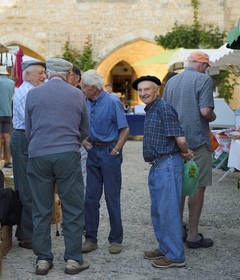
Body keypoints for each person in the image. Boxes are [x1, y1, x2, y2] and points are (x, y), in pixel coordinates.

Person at [25, 58, 90, 275]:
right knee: (72, 208)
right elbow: (84, 129)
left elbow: (28, 129)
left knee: (41, 209)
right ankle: (73, 259)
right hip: (67, 154)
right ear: (68, 74)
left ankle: (43, 259)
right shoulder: (77, 94)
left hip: (38, 154)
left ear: (48, 72)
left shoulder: (33, 94)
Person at [133, 75, 193, 268]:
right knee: (158, 211)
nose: (143, 93)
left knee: (168, 211)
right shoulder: (151, 109)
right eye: (140, 90)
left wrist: (184, 153)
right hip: (157, 165)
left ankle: (175, 256)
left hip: (167, 163)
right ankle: (165, 248)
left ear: (157, 89)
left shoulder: (164, 108)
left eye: (147, 89)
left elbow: (180, 137)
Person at [163, 51, 216, 249]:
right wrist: (213, 116)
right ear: (202, 65)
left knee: (178, 187)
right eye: (207, 66)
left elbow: (166, 111)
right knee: (196, 186)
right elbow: (205, 111)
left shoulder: (171, 82)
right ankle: (193, 235)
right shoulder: (204, 80)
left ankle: (177, 232)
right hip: (196, 141)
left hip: (175, 142)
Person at [80, 70, 130, 255]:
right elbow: (80, 125)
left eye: (84, 86)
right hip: (93, 151)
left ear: (93, 88)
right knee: (91, 199)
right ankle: (91, 239)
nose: (81, 88)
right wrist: (84, 142)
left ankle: (116, 239)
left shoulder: (112, 101)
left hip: (109, 152)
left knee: (112, 198)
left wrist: (115, 150)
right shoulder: (85, 101)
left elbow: (125, 129)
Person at [10, 59, 47, 250]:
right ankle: (27, 235)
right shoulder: (28, 92)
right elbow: (33, 120)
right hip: (24, 138)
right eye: (39, 72)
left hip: (25, 137)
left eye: (44, 72)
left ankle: (24, 232)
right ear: (27, 74)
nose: (43, 76)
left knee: (27, 185)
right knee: (27, 187)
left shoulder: (28, 90)